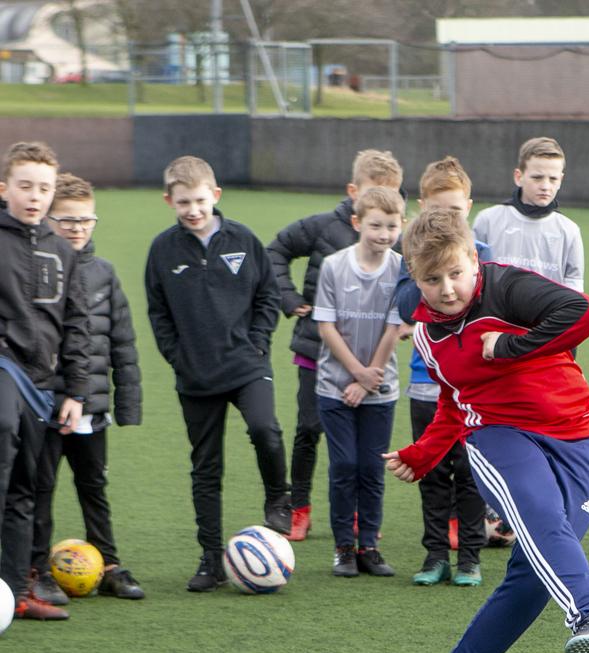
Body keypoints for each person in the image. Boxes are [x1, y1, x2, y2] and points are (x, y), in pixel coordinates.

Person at [385, 208, 589, 653]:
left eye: (455, 273)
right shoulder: (426, 331)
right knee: (541, 520)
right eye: (431, 279)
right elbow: (454, 398)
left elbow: (587, 315)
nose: (446, 288)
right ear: (415, 277)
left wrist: (511, 347)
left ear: (474, 259)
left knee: (536, 571)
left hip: (577, 439)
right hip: (498, 435)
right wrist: (423, 454)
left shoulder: (510, 287)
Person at [145, 156, 291, 592]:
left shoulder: (243, 240)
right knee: (206, 468)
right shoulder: (162, 250)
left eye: (200, 200)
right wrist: (177, 356)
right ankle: (210, 560)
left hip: (247, 365)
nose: (193, 209)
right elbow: (159, 313)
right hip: (196, 377)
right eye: (183, 202)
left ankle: (279, 499)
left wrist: (259, 342)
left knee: (265, 429)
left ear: (216, 196)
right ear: (169, 200)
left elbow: (268, 295)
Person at [268, 149, 404, 541]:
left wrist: (408, 319)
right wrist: (291, 300)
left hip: (373, 359)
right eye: (374, 193)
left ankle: (361, 518)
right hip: (318, 350)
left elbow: (413, 286)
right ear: (353, 192)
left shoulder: (394, 239)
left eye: (392, 195)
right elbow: (275, 250)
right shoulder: (322, 227)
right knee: (308, 429)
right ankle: (300, 509)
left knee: (363, 450)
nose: (383, 207)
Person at [30, 173, 144, 606]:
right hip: (48, 407)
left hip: (92, 409)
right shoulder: (39, 267)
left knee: (93, 485)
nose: (77, 228)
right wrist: (58, 400)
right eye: (67, 220)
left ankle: (110, 564)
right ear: (50, 219)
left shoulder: (105, 273)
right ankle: (36, 568)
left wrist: (127, 403)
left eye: (85, 220)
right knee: (41, 489)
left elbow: (122, 341)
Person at [0, 141, 89, 621]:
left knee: (25, 489)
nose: (35, 196)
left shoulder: (62, 250)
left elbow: (77, 323)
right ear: (5, 188)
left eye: (45, 188)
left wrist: (76, 391)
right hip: (3, 369)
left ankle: (16, 592)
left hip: (43, 384)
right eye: (25, 186)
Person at [312, 187, 406, 579]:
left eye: (391, 226)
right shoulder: (334, 266)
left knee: (371, 466)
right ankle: (343, 548)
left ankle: (369, 545)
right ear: (356, 223)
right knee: (344, 465)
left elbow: (396, 325)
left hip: (380, 388)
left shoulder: (402, 267)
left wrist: (368, 381)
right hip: (335, 386)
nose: (384, 234)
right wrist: (355, 373)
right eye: (375, 226)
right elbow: (325, 325)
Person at [408, 156, 491, 587]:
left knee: (472, 471)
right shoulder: (414, 255)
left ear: (468, 209)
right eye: (437, 211)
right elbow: (404, 308)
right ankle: (434, 555)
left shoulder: (483, 256)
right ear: (423, 208)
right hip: (426, 382)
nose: (446, 220)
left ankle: (471, 557)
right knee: (433, 470)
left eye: (455, 212)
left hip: (472, 387)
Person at [471, 136, 584, 291]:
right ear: (519, 177)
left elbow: (574, 285)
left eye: (553, 179)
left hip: (547, 315)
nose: (545, 186)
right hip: (498, 314)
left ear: (561, 180)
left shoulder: (569, 230)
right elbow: (471, 275)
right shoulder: (487, 220)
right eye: (537, 177)